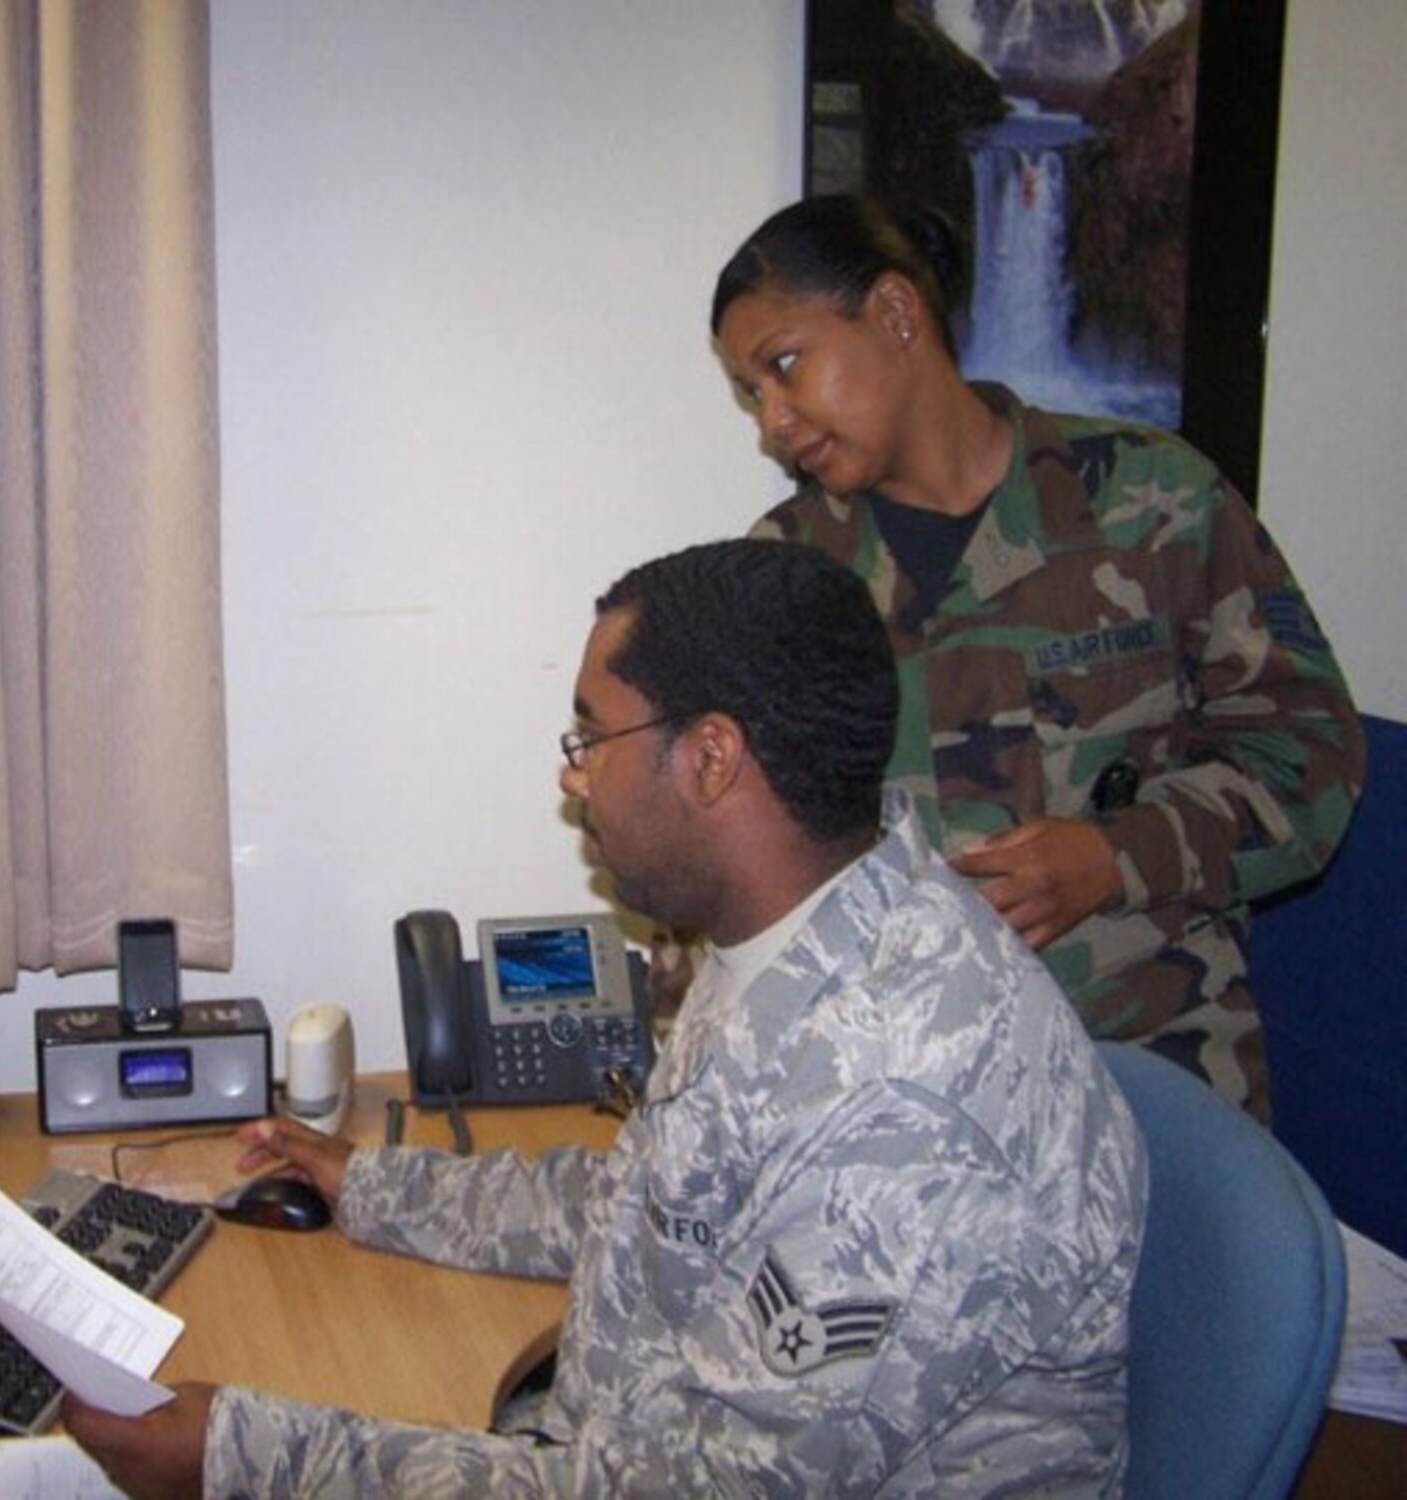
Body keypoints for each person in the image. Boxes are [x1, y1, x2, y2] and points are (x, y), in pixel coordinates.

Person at [64, 539, 1148, 1497]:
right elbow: (659, 1197)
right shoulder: (795, 932)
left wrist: (244, 1458)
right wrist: (370, 1181)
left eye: (588, 737)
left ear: (710, 757)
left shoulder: (900, 1106)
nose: (569, 777)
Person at [711, 194, 1364, 1121]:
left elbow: (1310, 760)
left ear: (895, 314)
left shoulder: (1152, 502)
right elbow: (752, 830)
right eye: (751, 393)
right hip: (903, 1105)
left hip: (1151, 1082)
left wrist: (1114, 854)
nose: (772, 419)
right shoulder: (789, 571)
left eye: (784, 367)